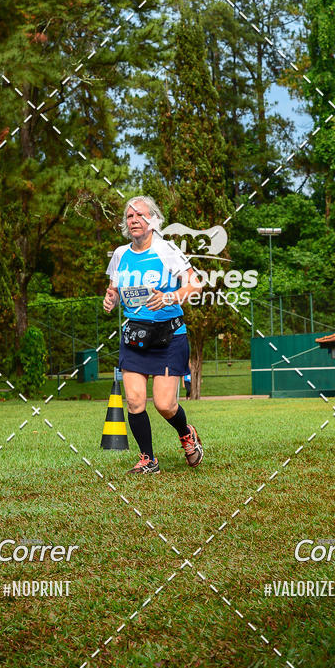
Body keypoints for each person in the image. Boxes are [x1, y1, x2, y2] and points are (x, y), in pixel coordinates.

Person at [103, 196, 204, 474]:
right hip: (134, 337)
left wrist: (171, 296)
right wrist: (110, 299)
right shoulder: (120, 255)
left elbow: (194, 284)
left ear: (153, 220)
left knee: (164, 404)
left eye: (140, 215)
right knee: (134, 401)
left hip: (168, 337)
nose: (134, 220)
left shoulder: (166, 250)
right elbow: (113, 289)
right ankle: (148, 459)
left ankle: (186, 433)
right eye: (129, 217)